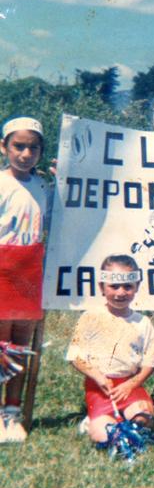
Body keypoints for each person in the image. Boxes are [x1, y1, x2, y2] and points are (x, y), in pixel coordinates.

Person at [66, 254, 154, 445]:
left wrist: (131, 384)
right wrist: (97, 376)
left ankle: (125, 416)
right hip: (100, 387)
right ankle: (96, 420)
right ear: (102, 287)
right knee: (104, 437)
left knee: (144, 420)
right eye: (114, 286)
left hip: (130, 385)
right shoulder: (90, 317)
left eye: (128, 287)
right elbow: (75, 356)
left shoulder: (142, 322)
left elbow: (150, 363)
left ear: (137, 287)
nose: (121, 293)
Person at [0, 116, 50, 442]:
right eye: (18, 146)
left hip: (31, 271)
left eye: (33, 147)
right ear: (3, 147)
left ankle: (12, 412)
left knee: (20, 346)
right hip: (2, 267)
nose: (25, 153)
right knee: (1, 344)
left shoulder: (44, 186)